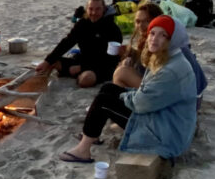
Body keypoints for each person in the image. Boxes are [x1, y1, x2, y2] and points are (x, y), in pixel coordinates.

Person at [59, 15, 197, 163]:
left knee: (105, 100)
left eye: (163, 35)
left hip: (166, 134)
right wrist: (124, 94)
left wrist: (124, 96)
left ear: (173, 40)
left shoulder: (171, 70)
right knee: (109, 88)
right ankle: (92, 137)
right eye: (152, 33)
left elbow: (142, 104)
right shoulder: (169, 58)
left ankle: (83, 150)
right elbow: (148, 93)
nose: (154, 39)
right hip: (165, 120)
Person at [36, 0, 123, 87]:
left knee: (86, 79)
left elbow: (110, 60)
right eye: (91, 9)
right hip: (83, 59)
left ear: (104, 9)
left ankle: (76, 75)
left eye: (98, 9)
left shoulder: (113, 29)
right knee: (52, 61)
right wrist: (47, 61)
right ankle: (40, 81)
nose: (93, 12)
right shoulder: (82, 23)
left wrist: (81, 68)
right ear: (87, 9)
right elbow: (67, 42)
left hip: (102, 66)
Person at [113, 2, 163, 89]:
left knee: (121, 73)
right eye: (138, 21)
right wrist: (130, 53)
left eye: (147, 21)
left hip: (157, 89)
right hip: (149, 86)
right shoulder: (145, 41)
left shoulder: (158, 42)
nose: (141, 25)